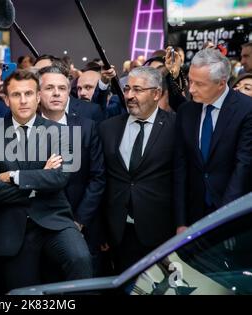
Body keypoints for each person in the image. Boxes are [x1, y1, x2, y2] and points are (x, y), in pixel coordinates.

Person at [0, 70, 93, 291]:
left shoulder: (61, 132)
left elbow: (60, 177)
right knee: (24, 292)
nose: (23, 100)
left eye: (29, 93)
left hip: (54, 219)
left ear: (38, 96)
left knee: (81, 260)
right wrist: (40, 179)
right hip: (12, 227)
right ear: (5, 98)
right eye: (16, 94)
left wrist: (14, 177)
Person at [99, 66, 176, 272]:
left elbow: (182, 179)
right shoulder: (108, 128)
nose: (130, 96)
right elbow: (101, 180)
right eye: (127, 89)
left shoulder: (175, 127)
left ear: (156, 93)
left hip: (161, 231)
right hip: (119, 231)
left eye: (138, 90)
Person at [175, 48, 252, 234]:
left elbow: (243, 166)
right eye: (190, 81)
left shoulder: (246, 109)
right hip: (194, 215)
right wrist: (181, 220)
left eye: (199, 84)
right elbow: (180, 167)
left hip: (231, 213)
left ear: (221, 83)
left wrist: (222, 218)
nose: (191, 89)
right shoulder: (186, 111)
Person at [38, 66, 105, 276]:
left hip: (78, 222)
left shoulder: (87, 127)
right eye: (49, 88)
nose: (57, 93)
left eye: (62, 88)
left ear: (70, 92)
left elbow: (98, 177)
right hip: (34, 226)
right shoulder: (23, 127)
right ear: (38, 93)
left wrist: (79, 220)